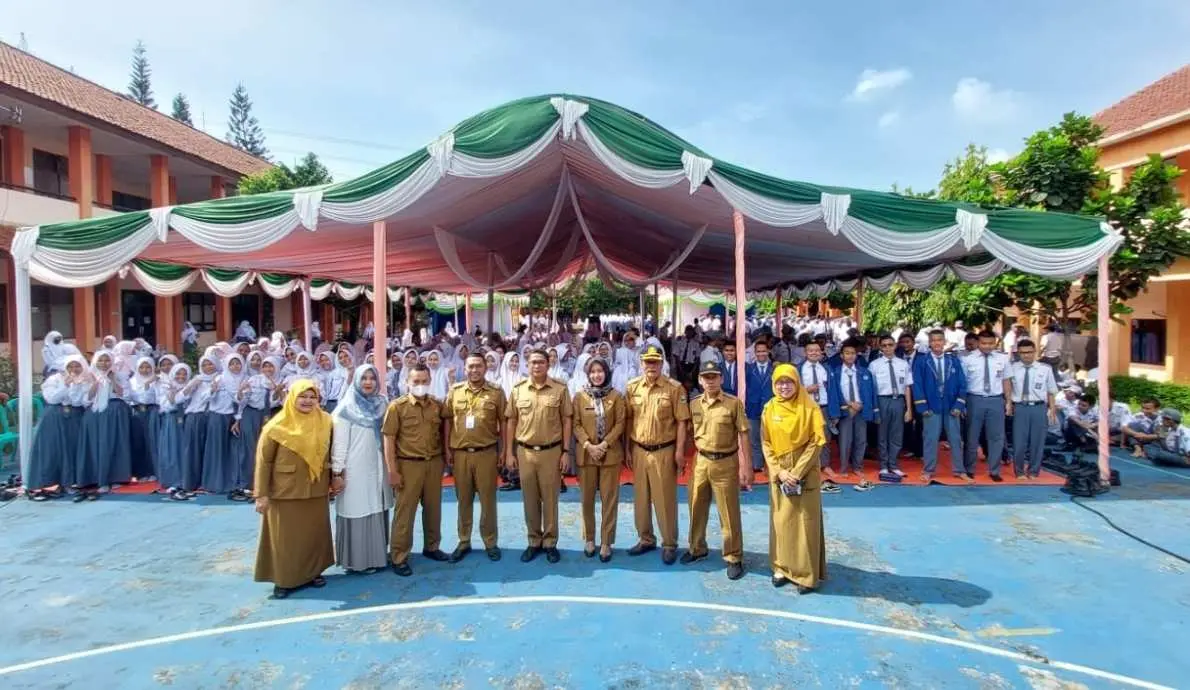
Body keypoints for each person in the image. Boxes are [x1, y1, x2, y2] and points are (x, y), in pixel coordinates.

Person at [253, 380, 337, 599]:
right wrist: (261, 494)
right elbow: (264, 462)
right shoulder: (276, 426)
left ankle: (313, 573)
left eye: (312, 397)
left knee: (313, 535)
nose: (308, 401)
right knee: (284, 539)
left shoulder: (326, 421)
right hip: (285, 491)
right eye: (303, 396)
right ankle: (284, 579)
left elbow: (332, 453)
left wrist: (335, 478)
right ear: (292, 398)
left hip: (316, 488)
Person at [761, 364, 827, 593]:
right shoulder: (769, 408)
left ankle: (806, 575)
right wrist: (779, 471)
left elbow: (816, 442)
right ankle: (782, 567)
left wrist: (796, 473)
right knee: (781, 521)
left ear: (797, 383)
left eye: (789, 382)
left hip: (805, 472)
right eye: (779, 382)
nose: (784, 387)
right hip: (780, 472)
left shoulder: (810, 408)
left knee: (805, 523)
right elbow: (766, 443)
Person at [683, 361, 751, 580]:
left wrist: (747, 466)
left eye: (714, 376)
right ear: (700, 380)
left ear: (721, 379)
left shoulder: (733, 404)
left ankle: (733, 556)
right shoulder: (694, 404)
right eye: (706, 377)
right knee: (695, 505)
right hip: (701, 460)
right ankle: (697, 548)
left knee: (729, 512)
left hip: (726, 462)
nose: (710, 381)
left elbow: (743, 434)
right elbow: (688, 433)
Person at [625, 344, 691, 565]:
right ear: (641, 363)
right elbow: (628, 421)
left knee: (664, 499)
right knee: (641, 499)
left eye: (655, 362)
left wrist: (680, 451)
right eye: (647, 362)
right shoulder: (632, 387)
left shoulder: (674, 389)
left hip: (664, 450)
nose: (651, 366)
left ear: (662, 364)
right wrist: (627, 448)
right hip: (639, 449)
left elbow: (682, 422)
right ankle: (645, 538)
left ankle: (669, 543)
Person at [505, 349, 573, 564]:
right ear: (528, 365)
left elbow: (566, 421)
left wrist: (565, 451)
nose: (537, 366)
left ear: (548, 364)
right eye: (533, 362)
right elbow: (511, 421)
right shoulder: (518, 390)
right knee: (530, 499)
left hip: (551, 452)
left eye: (541, 362)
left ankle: (550, 542)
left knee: (550, 499)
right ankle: (534, 540)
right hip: (524, 452)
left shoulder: (560, 390)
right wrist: (508, 452)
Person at [383, 364, 450, 576]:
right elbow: (389, 439)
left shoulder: (436, 405)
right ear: (407, 383)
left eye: (424, 381)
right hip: (408, 464)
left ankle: (432, 546)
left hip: (433, 463)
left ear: (429, 381)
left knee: (433, 508)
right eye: (416, 381)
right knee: (405, 511)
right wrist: (392, 470)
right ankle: (399, 555)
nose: (420, 385)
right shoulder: (397, 407)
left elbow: (443, 430)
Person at [443, 353, 507, 563]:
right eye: (470, 366)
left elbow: (504, 423)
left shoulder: (496, 392)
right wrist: (447, 449)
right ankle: (464, 541)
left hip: (486, 453)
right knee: (463, 500)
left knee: (488, 501)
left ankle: (490, 541)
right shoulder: (455, 391)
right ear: (465, 368)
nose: (474, 370)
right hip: (461, 454)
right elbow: (447, 422)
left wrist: (504, 450)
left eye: (478, 366)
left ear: (485, 368)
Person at [331, 365, 393, 574]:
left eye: (372, 378)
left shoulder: (382, 404)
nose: (368, 382)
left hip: (377, 467)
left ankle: (376, 556)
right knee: (358, 510)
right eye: (364, 378)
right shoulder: (345, 409)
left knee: (376, 507)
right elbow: (339, 445)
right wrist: (338, 473)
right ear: (356, 381)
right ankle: (357, 561)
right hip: (354, 470)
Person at [573, 357, 625, 562]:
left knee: (609, 500)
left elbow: (620, 424)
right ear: (588, 374)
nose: (597, 375)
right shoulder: (579, 397)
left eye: (600, 371)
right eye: (592, 372)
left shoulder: (617, 396)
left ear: (607, 373)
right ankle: (589, 538)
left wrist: (604, 445)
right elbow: (576, 424)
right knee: (586, 499)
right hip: (587, 455)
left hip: (610, 455)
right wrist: (589, 445)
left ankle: (606, 541)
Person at [911, 330, 968, 484]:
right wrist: (922, 406)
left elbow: (963, 384)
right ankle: (928, 470)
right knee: (930, 439)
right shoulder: (922, 361)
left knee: (955, 439)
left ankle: (959, 470)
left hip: (951, 406)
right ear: (929, 343)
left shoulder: (953, 361)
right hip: (932, 405)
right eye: (934, 340)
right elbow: (916, 384)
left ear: (945, 342)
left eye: (940, 340)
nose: (937, 343)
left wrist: (959, 404)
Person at [1005, 339, 1059, 480]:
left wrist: (1052, 409)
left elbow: (1051, 390)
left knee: (1037, 441)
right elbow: (1008, 386)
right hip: (1021, 407)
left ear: (1034, 352)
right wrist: (1009, 403)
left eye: (1029, 352)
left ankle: (1034, 471)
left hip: (1039, 407)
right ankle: (1019, 471)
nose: (1026, 356)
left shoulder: (1045, 369)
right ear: (1019, 353)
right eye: (1023, 353)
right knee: (1019, 441)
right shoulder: (1012, 367)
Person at [827, 340, 876, 491]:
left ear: (857, 355)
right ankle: (843, 467)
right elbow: (834, 392)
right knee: (845, 440)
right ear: (841, 355)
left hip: (861, 409)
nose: (850, 356)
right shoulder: (835, 372)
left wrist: (863, 405)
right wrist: (848, 403)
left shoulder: (864, 372)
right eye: (847, 353)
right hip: (846, 409)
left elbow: (870, 392)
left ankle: (858, 466)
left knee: (861, 440)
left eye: (853, 353)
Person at [963, 330, 1011, 482]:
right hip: (974, 399)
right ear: (978, 343)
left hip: (996, 399)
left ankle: (994, 470)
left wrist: (1008, 401)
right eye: (984, 343)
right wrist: (962, 403)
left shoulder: (1003, 359)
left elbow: (1006, 381)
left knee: (996, 437)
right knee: (972, 436)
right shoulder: (968, 359)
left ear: (995, 343)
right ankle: (969, 469)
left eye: (991, 343)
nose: (987, 346)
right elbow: (962, 383)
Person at [871, 335, 914, 480]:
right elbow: (872, 389)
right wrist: (875, 408)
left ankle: (894, 464)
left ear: (895, 346)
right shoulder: (874, 365)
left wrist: (908, 409)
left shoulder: (903, 364)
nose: (887, 348)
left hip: (898, 400)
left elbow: (907, 387)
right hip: (882, 400)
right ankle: (883, 465)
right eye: (884, 345)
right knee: (882, 434)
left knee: (896, 434)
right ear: (880, 347)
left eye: (890, 344)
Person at [798, 342, 838, 493]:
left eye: (816, 350)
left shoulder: (826, 368)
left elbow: (832, 390)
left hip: (823, 407)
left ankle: (825, 465)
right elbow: (793, 389)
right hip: (807, 407)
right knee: (805, 438)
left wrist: (834, 412)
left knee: (825, 437)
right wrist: (806, 389)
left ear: (821, 353)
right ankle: (806, 466)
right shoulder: (799, 368)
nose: (814, 353)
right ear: (805, 352)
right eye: (810, 350)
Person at [745, 340, 775, 473]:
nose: (761, 354)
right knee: (754, 438)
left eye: (764, 351)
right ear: (754, 353)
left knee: (770, 438)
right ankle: (757, 465)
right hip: (753, 408)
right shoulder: (748, 368)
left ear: (768, 352)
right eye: (758, 351)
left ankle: (770, 465)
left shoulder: (774, 368)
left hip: (771, 408)